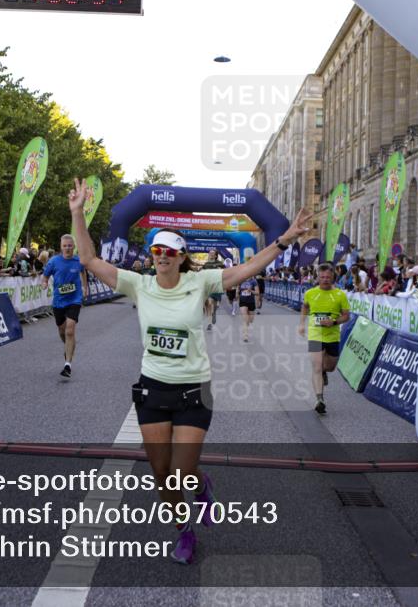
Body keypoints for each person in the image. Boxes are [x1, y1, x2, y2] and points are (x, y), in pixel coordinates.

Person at [67, 177, 311, 565]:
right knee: (161, 474)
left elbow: (248, 268)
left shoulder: (201, 283)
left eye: (169, 250)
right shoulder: (139, 285)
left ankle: (199, 486)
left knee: (181, 472)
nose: (161, 255)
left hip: (193, 389)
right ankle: (184, 531)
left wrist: (285, 239)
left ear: (182, 257)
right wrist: (78, 214)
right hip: (153, 389)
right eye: (156, 250)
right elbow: (88, 260)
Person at [298, 263, 350, 415]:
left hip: (333, 335)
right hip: (315, 334)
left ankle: (325, 372)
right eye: (322, 277)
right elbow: (305, 307)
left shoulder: (340, 295)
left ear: (333, 276)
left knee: (330, 366)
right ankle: (319, 399)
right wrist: (302, 324)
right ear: (317, 277)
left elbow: (347, 316)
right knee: (316, 367)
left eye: (328, 277)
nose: (325, 280)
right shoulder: (310, 293)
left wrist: (333, 322)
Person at [41, 235, 84, 378]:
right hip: (59, 301)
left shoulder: (78, 260)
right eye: (65, 246)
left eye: (70, 246)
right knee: (62, 331)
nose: (67, 248)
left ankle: (67, 365)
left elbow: (83, 271)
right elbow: (45, 275)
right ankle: (69, 346)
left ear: (74, 247)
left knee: (70, 330)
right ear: (61, 247)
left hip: (75, 299)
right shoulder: (54, 261)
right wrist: (45, 283)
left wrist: (85, 286)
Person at [202, 249, 223, 331]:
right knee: (209, 303)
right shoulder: (206, 264)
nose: (210, 254)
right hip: (208, 286)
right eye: (209, 253)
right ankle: (209, 323)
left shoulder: (219, 263)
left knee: (214, 305)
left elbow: (225, 273)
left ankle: (214, 313)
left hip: (217, 286)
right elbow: (202, 274)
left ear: (215, 255)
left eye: (212, 253)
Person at [237, 274, 260, 342]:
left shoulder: (254, 281)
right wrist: (237, 293)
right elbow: (238, 288)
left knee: (250, 320)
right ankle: (245, 336)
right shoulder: (241, 280)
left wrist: (251, 291)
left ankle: (246, 327)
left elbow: (257, 292)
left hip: (251, 302)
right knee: (245, 319)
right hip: (242, 301)